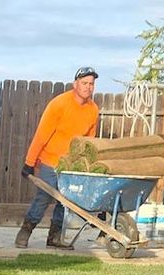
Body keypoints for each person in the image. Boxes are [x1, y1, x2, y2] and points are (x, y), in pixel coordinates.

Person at [16, 66, 101, 248]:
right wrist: (29, 162)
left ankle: (54, 238)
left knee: (66, 202)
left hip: (71, 165)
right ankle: (25, 232)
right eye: (84, 83)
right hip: (51, 161)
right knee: (43, 198)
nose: (88, 87)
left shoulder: (93, 110)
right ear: (75, 84)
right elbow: (41, 135)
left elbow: (89, 141)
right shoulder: (59, 104)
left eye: (91, 84)